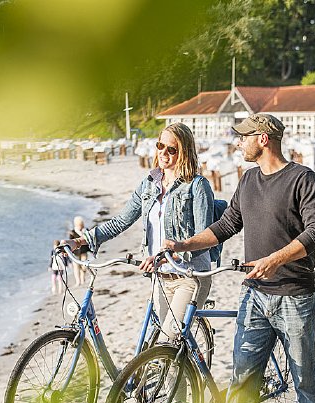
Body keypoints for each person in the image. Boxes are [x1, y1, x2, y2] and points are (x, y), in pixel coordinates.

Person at [164, 114, 315, 403]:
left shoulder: (302, 179)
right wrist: (184, 245)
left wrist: (276, 258)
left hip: (295, 295)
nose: (237, 143)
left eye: (242, 138)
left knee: (304, 376)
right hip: (254, 294)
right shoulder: (249, 179)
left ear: (263, 139)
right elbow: (227, 225)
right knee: (241, 378)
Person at [62, 122, 215, 343]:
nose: (163, 153)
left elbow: (205, 238)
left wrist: (170, 256)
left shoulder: (197, 186)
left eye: (171, 149)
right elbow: (120, 221)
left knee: (166, 344)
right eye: (160, 145)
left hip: (190, 278)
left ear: (184, 152)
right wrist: (81, 241)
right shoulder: (149, 184)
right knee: (163, 352)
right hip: (160, 278)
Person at [68, 216, 90, 286]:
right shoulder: (72, 232)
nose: (80, 226)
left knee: (84, 266)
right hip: (75, 252)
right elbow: (70, 242)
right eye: (79, 225)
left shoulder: (86, 231)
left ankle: (83, 278)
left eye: (81, 224)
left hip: (84, 251)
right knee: (76, 267)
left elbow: (89, 241)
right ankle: (78, 281)